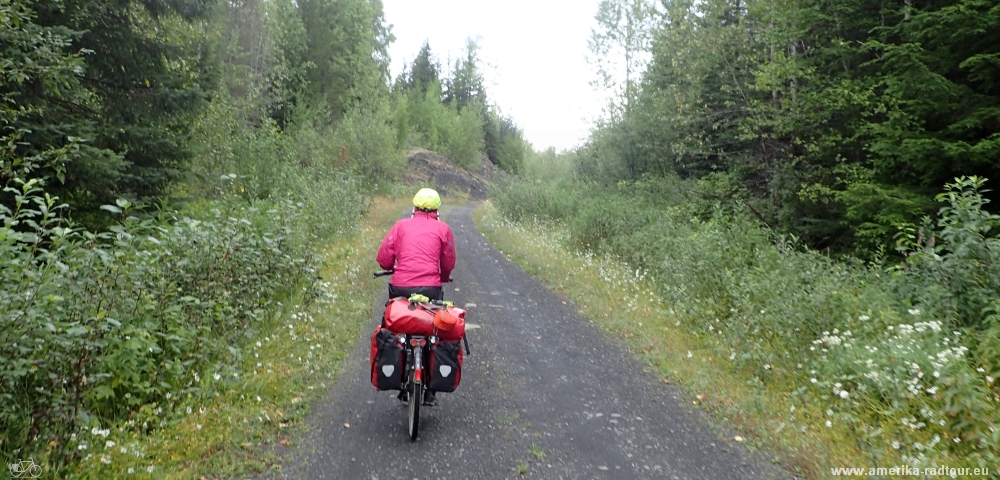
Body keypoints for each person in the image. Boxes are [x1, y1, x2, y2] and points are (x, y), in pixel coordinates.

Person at [376, 188, 456, 406]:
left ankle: (398, 374)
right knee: (433, 328)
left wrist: (391, 266)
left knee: (396, 327)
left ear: (414, 207)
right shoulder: (443, 229)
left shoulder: (401, 226)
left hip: (400, 286)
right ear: (437, 210)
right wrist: (445, 276)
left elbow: (384, 258)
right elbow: (448, 262)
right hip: (431, 287)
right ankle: (431, 388)